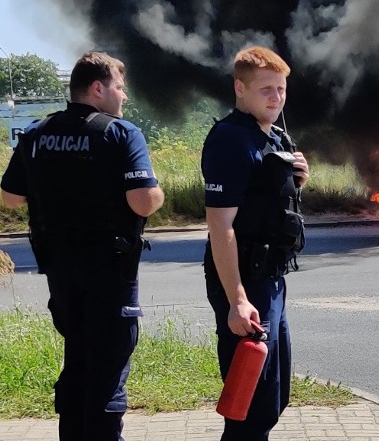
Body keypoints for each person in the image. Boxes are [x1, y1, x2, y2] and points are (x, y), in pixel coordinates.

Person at [0, 51, 164, 441]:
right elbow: (142, 201)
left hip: (61, 273)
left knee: (77, 362)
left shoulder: (37, 134)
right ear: (97, 88)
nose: (124, 97)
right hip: (110, 273)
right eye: (120, 88)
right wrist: (157, 195)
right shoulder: (121, 133)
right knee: (108, 374)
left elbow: (10, 196)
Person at [202, 46, 310, 440]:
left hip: (273, 281)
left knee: (273, 399)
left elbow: (268, 200)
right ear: (240, 89)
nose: (276, 97)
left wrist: (298, 178)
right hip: (245, 281)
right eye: (266, 89)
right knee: (248, 407)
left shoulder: (274, 136)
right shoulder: (230, 139)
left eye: (281, 89)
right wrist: (237, 300)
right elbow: (220, 226)